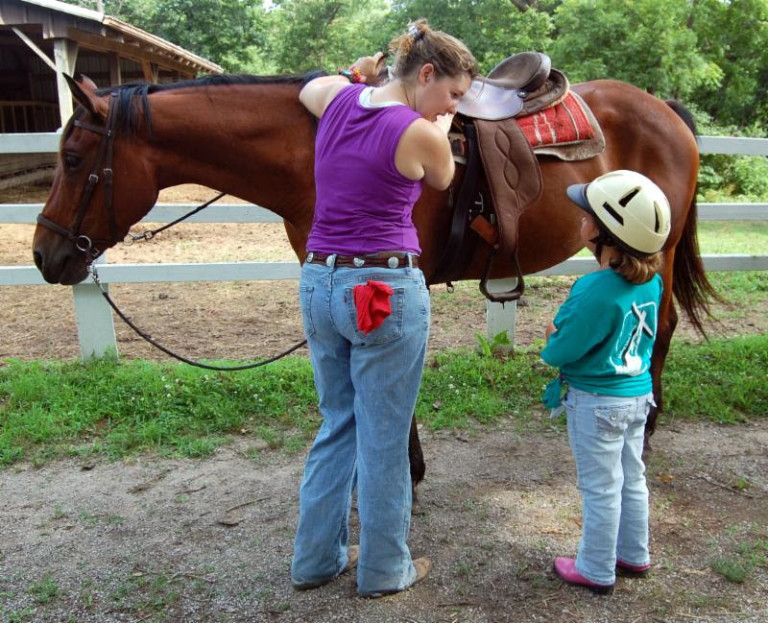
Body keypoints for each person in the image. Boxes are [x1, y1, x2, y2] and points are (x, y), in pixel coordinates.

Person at [290, 20, 478, 597]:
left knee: (337, 423)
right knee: (385, 433)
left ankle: (315, 560)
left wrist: (359, 72)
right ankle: (383, 568)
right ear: (426, 75)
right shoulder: (420, 132)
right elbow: (443, 177)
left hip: (319, 280)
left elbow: (309, 89)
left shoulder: (338, 99)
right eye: (452, 94)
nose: (453, 105)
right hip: (382, 289)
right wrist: (440, 127)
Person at [540, 169, 672, 595]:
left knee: (600, 488)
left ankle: (595, 568)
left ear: (602, 232)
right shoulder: (651, 281)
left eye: (586, 214)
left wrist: (551, 340)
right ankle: (634, 553)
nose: (580, 218)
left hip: (596, 403)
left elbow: (561, 351)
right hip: (637, 395)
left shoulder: (593, 288)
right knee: (632, 478)